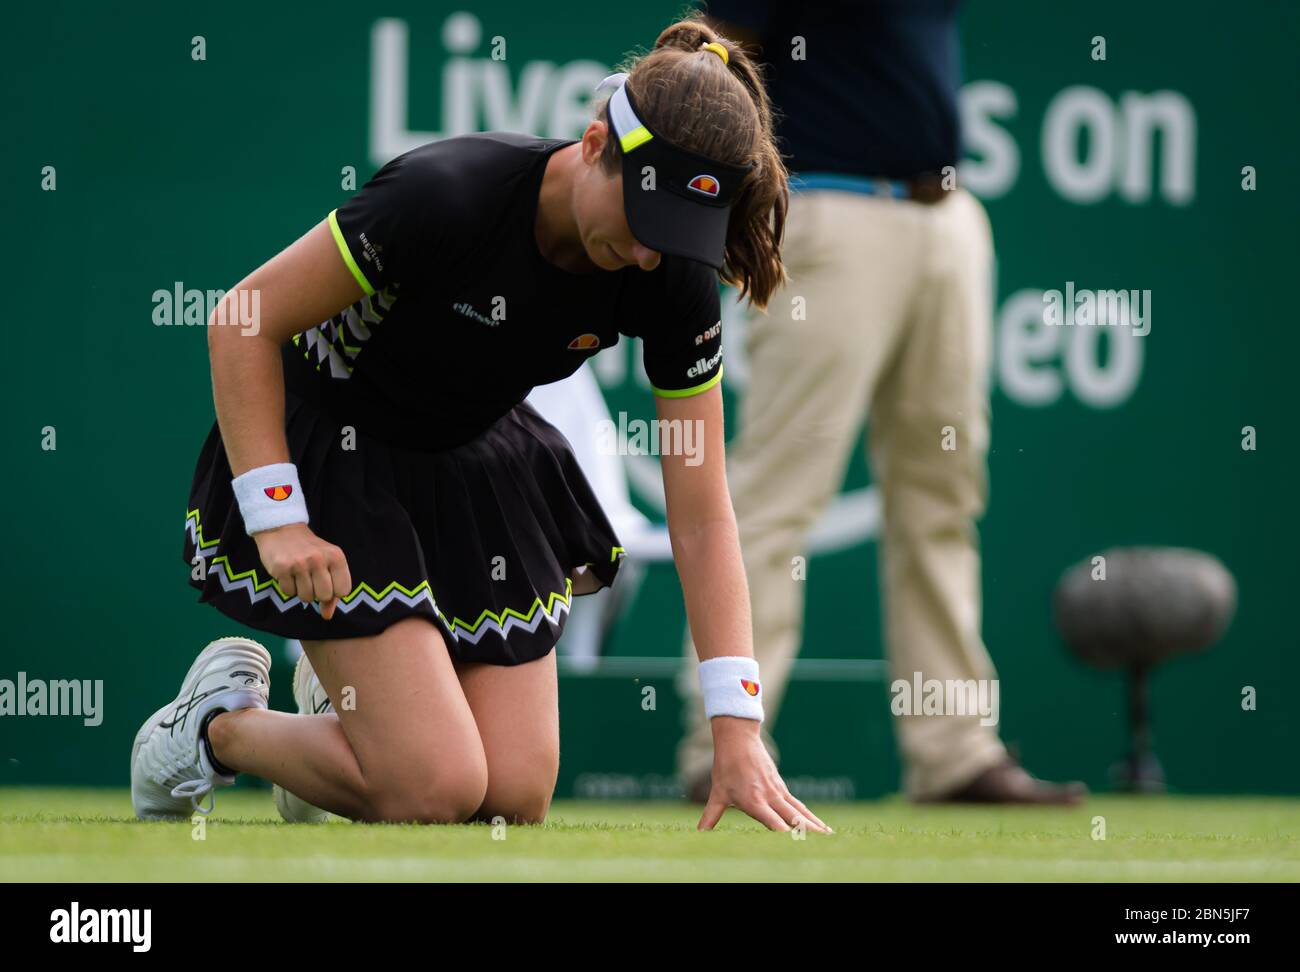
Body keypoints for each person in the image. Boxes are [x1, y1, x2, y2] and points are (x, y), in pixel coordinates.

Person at [130, 16, 830, 833]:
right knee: (435, 790)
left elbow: (704, 514)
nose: (649, 255)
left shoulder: (667, 274)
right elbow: (242, 320)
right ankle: (212, 728)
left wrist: (736, 728)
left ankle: (348, 724)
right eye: (645, 217)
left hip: (474, 460)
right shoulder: (449, 193)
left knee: (511, 797)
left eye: (676, 234)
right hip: (336, 454)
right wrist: (277, 515)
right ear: (597, 141)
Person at [676, 1, 1086, 804]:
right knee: (776, 500)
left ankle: (954, 751)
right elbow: (718, 41)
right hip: (828, 213)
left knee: (942, 499)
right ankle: (720, 747)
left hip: (949, 219)